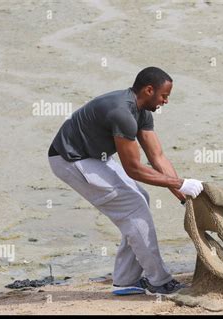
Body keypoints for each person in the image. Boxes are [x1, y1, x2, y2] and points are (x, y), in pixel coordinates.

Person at [48, 67, 203, 295]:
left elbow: (157, 158)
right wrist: (180, 183)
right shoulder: (122, 112)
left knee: (140, 199)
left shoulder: (142, 113)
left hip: (93, 155)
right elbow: (134, 169)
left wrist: (184, 196)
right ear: (149, 90)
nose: (166, 101)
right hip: (69, 159)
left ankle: (126, 280)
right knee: (133, 207)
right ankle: (159, 281)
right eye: (164, 96)